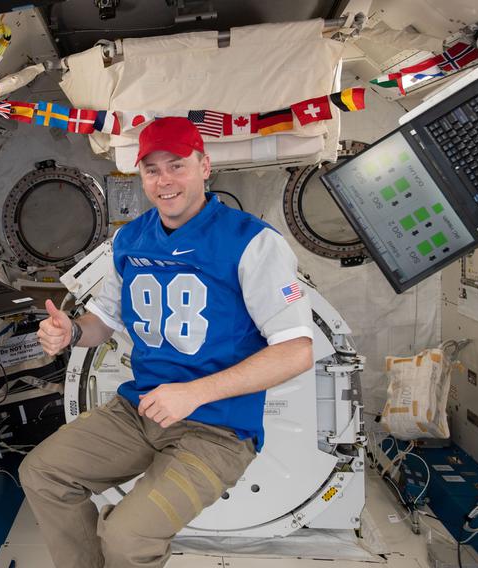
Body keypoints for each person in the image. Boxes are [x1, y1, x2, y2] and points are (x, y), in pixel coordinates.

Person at [19, 117, 315, 568]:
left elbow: (297, 350)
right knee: (42, 473)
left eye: (176, 165)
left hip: (217, 430)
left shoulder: (251, 243)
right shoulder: (130, 239)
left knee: (125, 537)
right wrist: (71, 333)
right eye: (152, 170)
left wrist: (194, 393)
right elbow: (101, 321)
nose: (164, 180)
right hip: (139, 411)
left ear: (204, 166)